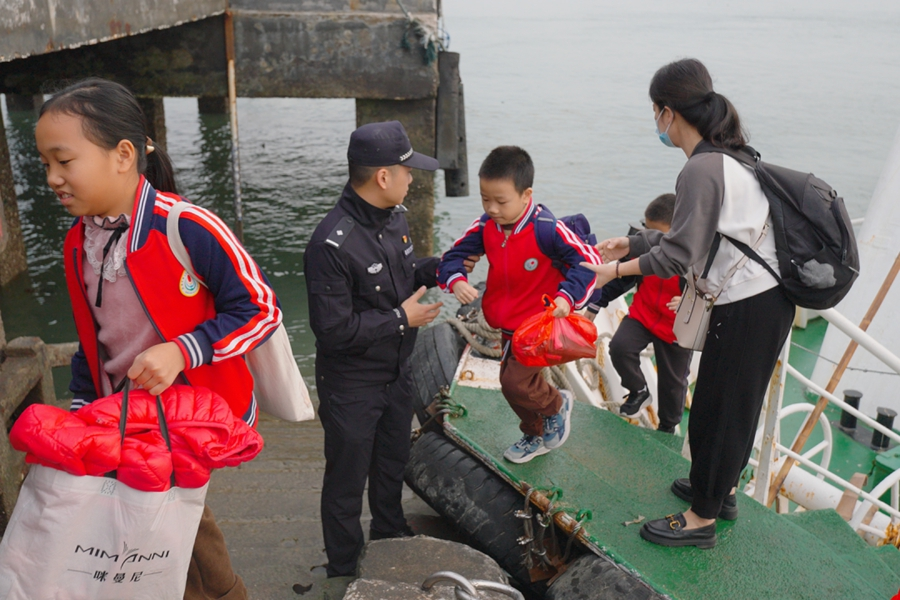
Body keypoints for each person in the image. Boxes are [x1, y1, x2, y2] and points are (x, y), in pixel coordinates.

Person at [38, 78, 281, 598]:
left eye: (64, 161)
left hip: (188, 418)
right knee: (163, 529)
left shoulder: (185, 226)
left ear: (123, 155)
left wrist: (182, 349)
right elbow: (93, 339)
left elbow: (260, 308)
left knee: (174, 527)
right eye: (45, 164)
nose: (52, 177)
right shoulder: (79, 241)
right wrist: (83, 409)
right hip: (123, 417)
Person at [584, 58, 794, 549]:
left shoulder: (701, 167)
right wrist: (634, 244)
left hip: (748, 304)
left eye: (654, 111)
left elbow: (678, 256)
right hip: (763, 300)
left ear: (668, 112)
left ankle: (701, 520)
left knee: (719, 409)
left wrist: (616, 270)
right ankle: (721, 493)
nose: (656, 121)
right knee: (733, 403)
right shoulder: (730, 157)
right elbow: (700, 238)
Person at [304, 121, 446, 577]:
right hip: (352, 383)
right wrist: (403, 319)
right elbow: (333, 331)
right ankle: (344, 567)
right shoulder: (329, 244)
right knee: (346, 479)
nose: (412, 178)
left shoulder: (394, 217)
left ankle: (389, 531)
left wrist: (441, 268)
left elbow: (401, 277)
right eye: (407, 170)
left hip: (396, 371)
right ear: (383, 177)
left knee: (391, 462)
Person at [437, 146, 602, 464]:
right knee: (509, 385)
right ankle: (534, 433)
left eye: (501, 201)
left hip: (540, 324)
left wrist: (566, 297)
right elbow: (452, 256)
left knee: (516, 381)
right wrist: (456, 279)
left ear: (526, 195)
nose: (492, 208)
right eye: (485, 199)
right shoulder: (485, 226)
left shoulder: (547, 229)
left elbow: (588, 261)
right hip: (508, 324)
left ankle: (556, 405)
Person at [588, 193, 691, 433]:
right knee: (620, 347)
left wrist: (690, 300)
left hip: (676, 327)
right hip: (643, 314)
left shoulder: (695, 254)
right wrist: (595, 304)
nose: (653, 241)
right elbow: (621, 279)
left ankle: (667, 427)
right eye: (647, 231)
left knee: (673, 384)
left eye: (659, 235)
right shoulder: (641, 245)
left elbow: (714, 287)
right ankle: (638, 390)